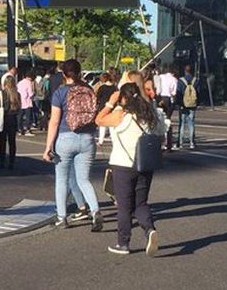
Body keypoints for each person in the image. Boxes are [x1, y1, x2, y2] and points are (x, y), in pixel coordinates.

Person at [95, 82, 161, 257]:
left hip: (122, 165)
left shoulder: (120, 115)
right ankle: (149, 230)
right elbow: (160, 132)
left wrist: (110, 102)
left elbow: (99, 119)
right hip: (144, 164)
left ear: (123, 97)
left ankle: (123, 243)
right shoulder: (148, 115)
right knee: (141, 203)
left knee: (124, 206)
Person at [42, 58, 103, 232]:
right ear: (79, 72)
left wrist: (48, 147)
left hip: (65, 138)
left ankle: (62, 218)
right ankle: (95, 210)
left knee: (61, 180)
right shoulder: (88, 89)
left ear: (63, 73)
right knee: (84, 180)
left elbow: (54, 121)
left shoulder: (60, 93)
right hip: (87, 138)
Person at [0, 73, 20, 168]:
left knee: (2, 140)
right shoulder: (17, 94)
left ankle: (2, 161)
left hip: (3, 117)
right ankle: (12, 162)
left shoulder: (1, 93)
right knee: (12, 142)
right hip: (13, 118)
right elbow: (19, 107)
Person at [176, 65, 201, 150]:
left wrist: (179, 104)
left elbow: (178, 93)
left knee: (182, 123)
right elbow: (199, 93)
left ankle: (180, 143)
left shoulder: (181, 81)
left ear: (185, 71)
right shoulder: (196, 81)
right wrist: (197, 103)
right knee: (191, 123)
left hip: (183, 104)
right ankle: (192, 142)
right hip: (192, 104)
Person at [157, 66, 178, 151]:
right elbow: (174, 92)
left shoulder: (160, 77)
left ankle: (161, 142)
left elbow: (157, 89)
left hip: (160, 98)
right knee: (168, 120)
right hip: (168, 99)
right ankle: (169, 143)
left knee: (160, 119)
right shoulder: (174, 79)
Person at [94, 72, 117, 146]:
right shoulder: (114, 88)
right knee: (112, 126)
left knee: (102, 126)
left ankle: (100, 141)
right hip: (112, 108)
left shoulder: (102, 88)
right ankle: (114, 141)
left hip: (103, 107)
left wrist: (97, 106)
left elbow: (98, 98)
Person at [17, 67, 35, 135]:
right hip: (27, 102)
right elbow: (30, 93)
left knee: (20, 116)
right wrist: (33, 95)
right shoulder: (29, 82)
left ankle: (19, 129)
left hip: (20, 101)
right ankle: (27, 129)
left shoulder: (20, 82)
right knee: (28, 117)